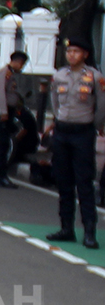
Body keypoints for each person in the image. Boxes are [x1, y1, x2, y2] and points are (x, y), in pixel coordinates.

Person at [45, 39, 104, 248]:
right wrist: (58, 120)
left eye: (76, 51)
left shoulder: (95, 77)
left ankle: (89, 231)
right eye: (69, 51)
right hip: (62, 131)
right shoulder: (59, 75)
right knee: (63, 181)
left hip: (83, 133)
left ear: (85, 54)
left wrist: (93, 126)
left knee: (84, 183)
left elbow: (101, 106)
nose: (71, 55)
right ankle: (66, 228)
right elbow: (54, 100)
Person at [0, 50, 27, 190]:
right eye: (22, 64)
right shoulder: (5, 73)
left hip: (8, 111)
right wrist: (4, 112)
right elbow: (0, 93)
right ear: (17, 61)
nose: (22, 67)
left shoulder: (11, 74)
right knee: (2, 143)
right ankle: (0, 174)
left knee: (2, 143)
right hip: (2, 112)